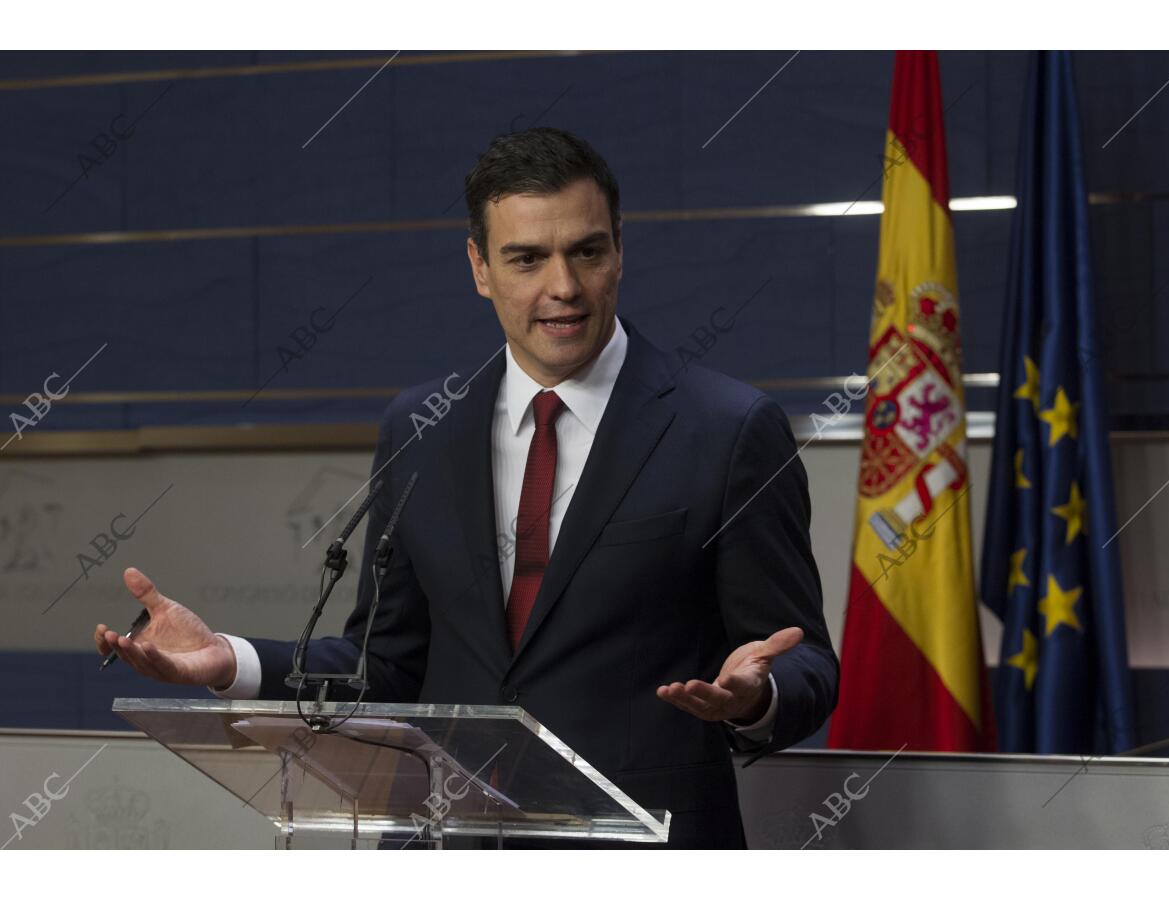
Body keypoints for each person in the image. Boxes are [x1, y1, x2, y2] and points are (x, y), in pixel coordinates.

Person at [94, 127, 838, 849]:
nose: (564, 287)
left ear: (620, 251)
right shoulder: (422, 426)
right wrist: (231, 660)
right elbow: (385, 666)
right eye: (527, 258)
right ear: (480, 268)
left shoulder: (729, 428)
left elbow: (806, 662)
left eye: (587, 251)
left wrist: (758, 696)